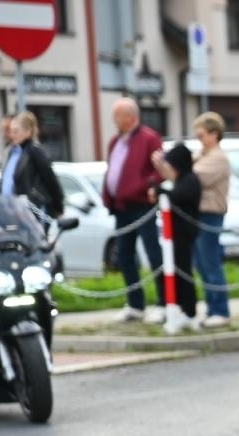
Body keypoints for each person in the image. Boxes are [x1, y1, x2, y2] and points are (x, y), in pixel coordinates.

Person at [102, 98, 165, 324]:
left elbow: (160, 169)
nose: (114, 120)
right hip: (121, 207)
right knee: (125, 256)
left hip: (142, 206)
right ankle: (135, 304)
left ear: (130, 116)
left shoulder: (149, 138)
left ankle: (164, 303)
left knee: (153, 253)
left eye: (117, 115)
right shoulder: (115, 141)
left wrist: (150, 185)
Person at [190, 112, 233, 329]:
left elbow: (193, 178)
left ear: (214, 134)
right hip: (199, 214)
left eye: (202, 135)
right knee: (202, 264)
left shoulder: (217, 157)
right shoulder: (203, 154)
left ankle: (220, 310)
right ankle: (211, 308)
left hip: (210, 214)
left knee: (210, 262)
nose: (199, 140)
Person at [154, 142, 201, 326]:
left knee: (183, 271)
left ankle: (189, 311)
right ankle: (180, 307)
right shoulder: (182, 179)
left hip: (184, 234)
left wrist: (160, 191)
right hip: (175, 234)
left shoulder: (190, 180)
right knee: (175, 271)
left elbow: (177, 196)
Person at [0, 112, 64, 221]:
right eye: (11, 131)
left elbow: (50, 180)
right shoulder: (12, 152)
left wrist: (58, 208)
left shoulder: (34, 151)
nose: (12, 135)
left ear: (28, 132)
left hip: (31, 211)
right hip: (12, 210)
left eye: (16, 131)